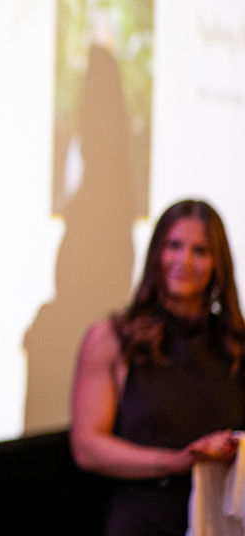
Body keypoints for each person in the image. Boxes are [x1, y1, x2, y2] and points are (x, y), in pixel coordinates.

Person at [70, 199, 245, 535]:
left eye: (200, 251)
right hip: (141, 523)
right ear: (156, 253)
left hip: (219, 525)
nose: (185, 261)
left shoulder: (235, 345)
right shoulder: (111, 338)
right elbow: (87, 447)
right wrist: (177, 461)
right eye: (174, 246)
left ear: (217, 263)